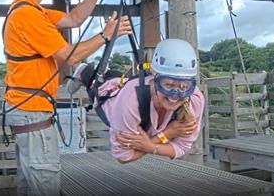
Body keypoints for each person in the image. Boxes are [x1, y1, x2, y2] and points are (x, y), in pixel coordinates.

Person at [3, 0, 132, 195]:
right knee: (44, 183)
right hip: (32, 112)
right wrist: (105, 35)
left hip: (28, 111)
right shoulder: (27, 16)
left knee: (31, 182)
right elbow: (70, 57)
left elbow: (74, 19)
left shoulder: (33, 11)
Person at [68, 38, 205, 163]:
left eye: (184, 86)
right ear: (155, 79)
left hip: (129, 87)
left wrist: (150, 146)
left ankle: (110, 74)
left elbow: (183, 146)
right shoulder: (130, 102)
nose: (175, 95)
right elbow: (123, 157)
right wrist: (165, 135)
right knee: (97, 84)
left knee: (119, 80)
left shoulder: (195, 100)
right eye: (168, 85)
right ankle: (84, 71)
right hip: (110, 99)